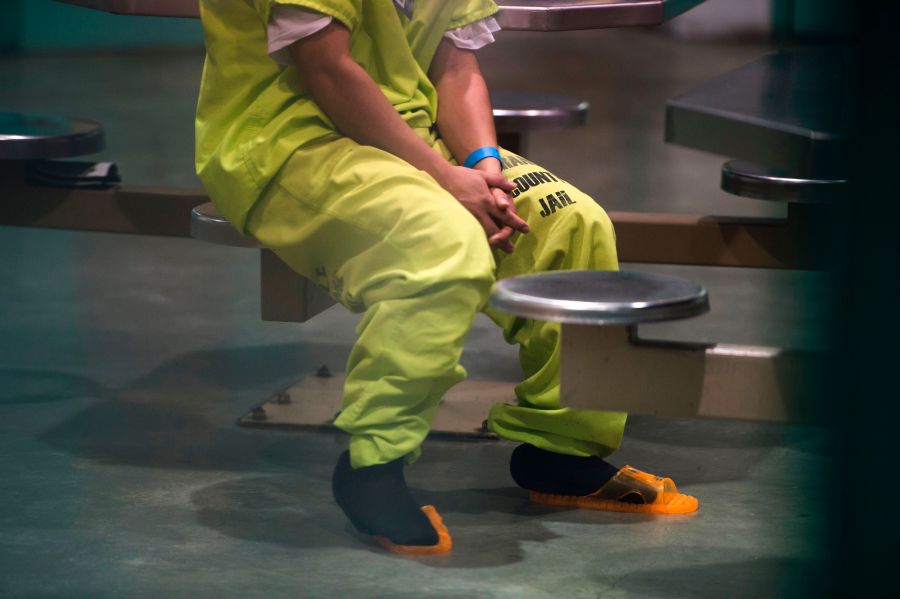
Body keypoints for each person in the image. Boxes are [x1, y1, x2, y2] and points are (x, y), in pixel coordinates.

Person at [195, 0, 698, 556]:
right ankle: (372, 467)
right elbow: (327, 69)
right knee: (442, 248)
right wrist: (442, 177)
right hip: (289, 144)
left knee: (569, 223)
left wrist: (483, 165)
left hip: (407, 133)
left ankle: (560, 451)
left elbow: (456, 68)